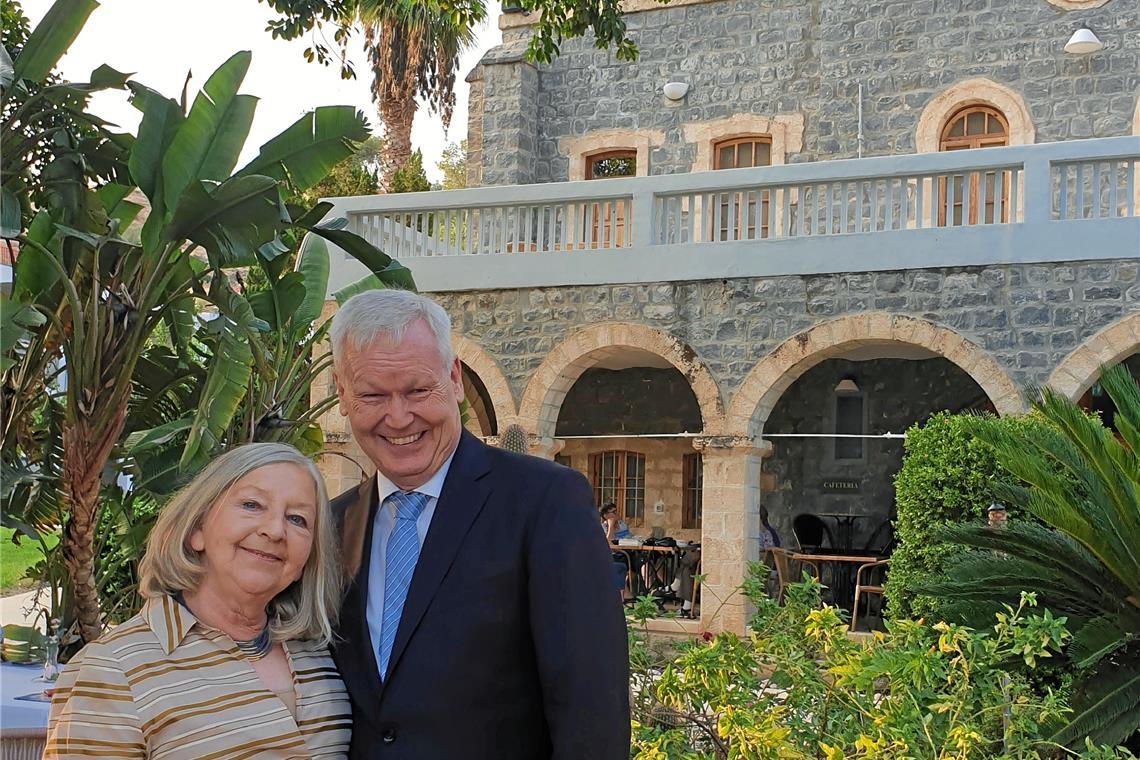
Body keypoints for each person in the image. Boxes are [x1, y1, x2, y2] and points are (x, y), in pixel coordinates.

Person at [328, 289, 629, 759]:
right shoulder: (330, 525)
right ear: (342, 394)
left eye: (416, 390)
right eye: (372, 395)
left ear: (453, 379)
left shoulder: (546, 502)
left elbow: (591, 711)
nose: (398, 416)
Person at [44, 443, 350, 759]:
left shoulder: (318, 657)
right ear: (197, 530)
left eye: (297, 519)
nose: (275, 530)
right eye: (252, 504)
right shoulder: (112, 669)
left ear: (307, 559)